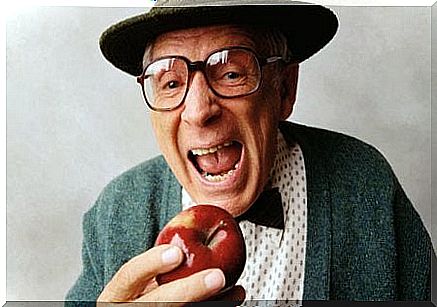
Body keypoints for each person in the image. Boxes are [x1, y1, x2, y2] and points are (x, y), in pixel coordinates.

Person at [65, 0, 434, 304]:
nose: (198, 110)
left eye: (231, 73)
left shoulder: (363, 182)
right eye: (171, 82)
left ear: (284, 89)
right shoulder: (116, 212)